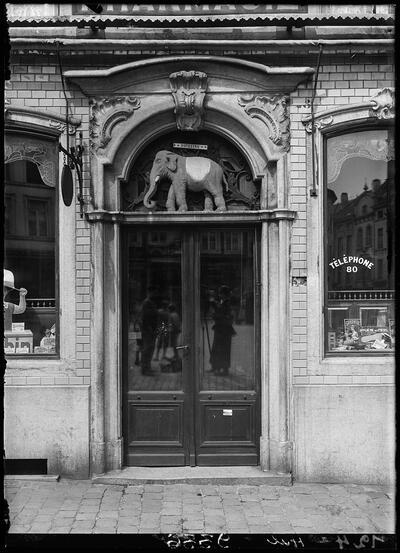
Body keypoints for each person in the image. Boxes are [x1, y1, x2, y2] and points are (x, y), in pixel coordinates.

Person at [209, 285, 236, 376]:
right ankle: (216, 367)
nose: (220, 295)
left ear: (225, 294)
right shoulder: (222, 302)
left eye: (221, 293)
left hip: (224, 328)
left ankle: (224, 370)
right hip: (220, 328)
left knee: (223, 348)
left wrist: (216, 313)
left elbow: (227, 316)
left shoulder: (227, 303)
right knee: (217, 347)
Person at [140, 285, 158, 375]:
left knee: (150, 349)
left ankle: (148, 367)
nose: (154, 294)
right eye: (153, 292)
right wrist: (149, 329)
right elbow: (146, 318)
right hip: (148, 330)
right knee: (147, 349)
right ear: (149, 293)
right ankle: (145, 369)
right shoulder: (147, 303)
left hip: (151, 330)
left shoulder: (150, 302)